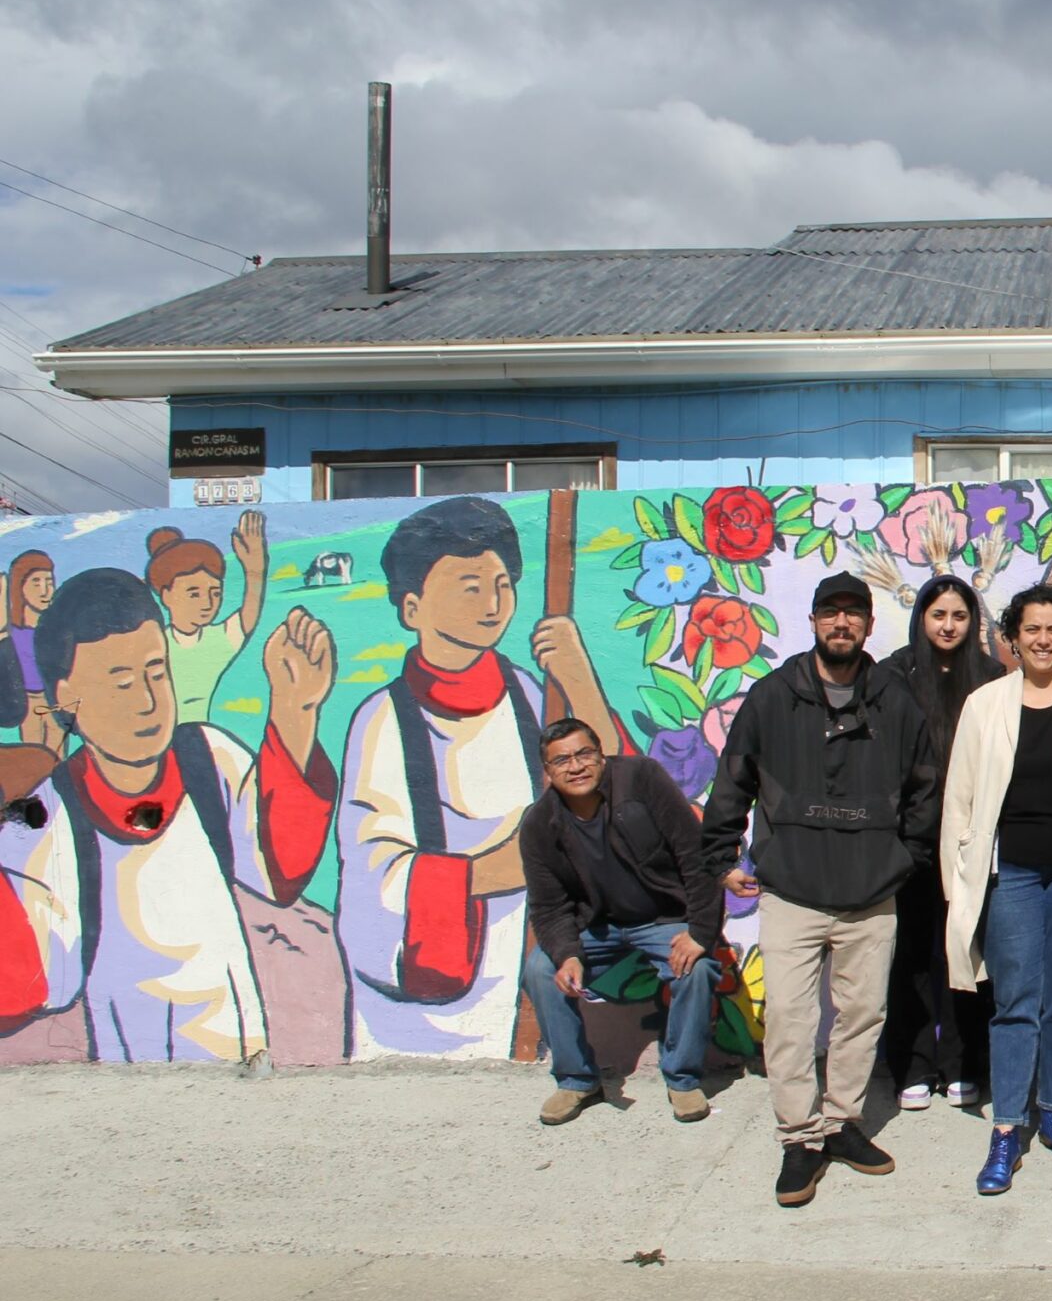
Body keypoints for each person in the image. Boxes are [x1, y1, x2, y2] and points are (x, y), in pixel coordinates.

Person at [0, 570, 337, 1061]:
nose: (146, 701)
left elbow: (278, 867)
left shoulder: (207, 757)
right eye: (119, 683)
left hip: (243, 1059)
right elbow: (38, 980)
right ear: (63, 699)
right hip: (131, 1078)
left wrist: (295, 709)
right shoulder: (48, 816)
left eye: (156, 672)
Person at [337, 496, 619, 1059]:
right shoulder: (382, 721)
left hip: (525, 958)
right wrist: (501, 868)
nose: (493, 604)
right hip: (417, 1005)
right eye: (470, 585)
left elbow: (604, 778)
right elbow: (374, 874)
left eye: (503, 584)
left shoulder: (530, 698)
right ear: (412, 608)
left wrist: (580, 680)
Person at [702, 571, 936, 1208]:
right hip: (793, 891)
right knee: (789, 1021)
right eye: (829, 613)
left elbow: (924, 788)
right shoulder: (774, 696)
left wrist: (904, 859)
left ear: (867, 624)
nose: (841, 624)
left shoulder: (893, 697)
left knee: (862, 1018)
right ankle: (799, 1138)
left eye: (853, 615)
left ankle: (842, 1124)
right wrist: (722, 851)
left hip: (870, 892)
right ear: (812, 621)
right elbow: (734, 777)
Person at [939, 586, 1052, 1196]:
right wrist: (957, 887)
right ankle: (1007, 1127)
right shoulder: (986, 703)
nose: (1042, 639)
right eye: (1031, 629)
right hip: (1006, 872)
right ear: (1013, 637)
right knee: (1015, 1002)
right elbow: (958, 803)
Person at [518, 718, 726, 1125]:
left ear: (601, 754)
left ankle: (682, 1079)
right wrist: (567, 954)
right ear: (547, 771)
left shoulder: (641, 779)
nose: (575, 766)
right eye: (562, 761)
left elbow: (694, 855)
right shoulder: (540, 824)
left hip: (663, 918)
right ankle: (576, 1079)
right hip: (595, 928)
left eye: (584, 754)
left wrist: (700, 932)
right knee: (541, 970)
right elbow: (549, 906)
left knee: (696, 968)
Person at [882, 574, 1003, 1111]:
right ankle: (912, 1064)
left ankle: (962, 1063)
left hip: (973, 840)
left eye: (959, 616)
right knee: (910, 953)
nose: (949, 626)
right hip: (911, 839)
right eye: (939, 616)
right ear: (921, 619)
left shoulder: (992, 676)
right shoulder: (894, 675)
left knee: (965, 951)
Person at [146, 512, 268, 725]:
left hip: (202, 739)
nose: (208, 603)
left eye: (216, 593)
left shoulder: (217, 639)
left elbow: (248, 615)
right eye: (194, 593)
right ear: (166, 595)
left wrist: (254, 569)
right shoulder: (154, 646)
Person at [6, 551, 53, 749]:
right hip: (29, 703)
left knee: (59, 761)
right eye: (36, 582)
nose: (45, 591)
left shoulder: (56, 629)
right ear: (20, 586)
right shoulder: (11, 634)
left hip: (56, 701)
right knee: (34, 757)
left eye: (49, 582)